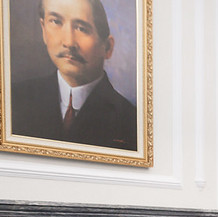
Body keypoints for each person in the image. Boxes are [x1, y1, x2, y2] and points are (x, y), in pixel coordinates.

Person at [10, 0, 137, 151]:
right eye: (56, 22)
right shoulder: (13, 98)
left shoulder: (129, 119)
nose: (69, 42)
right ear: (43, 29)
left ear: (107, 47)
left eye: (81, 28)